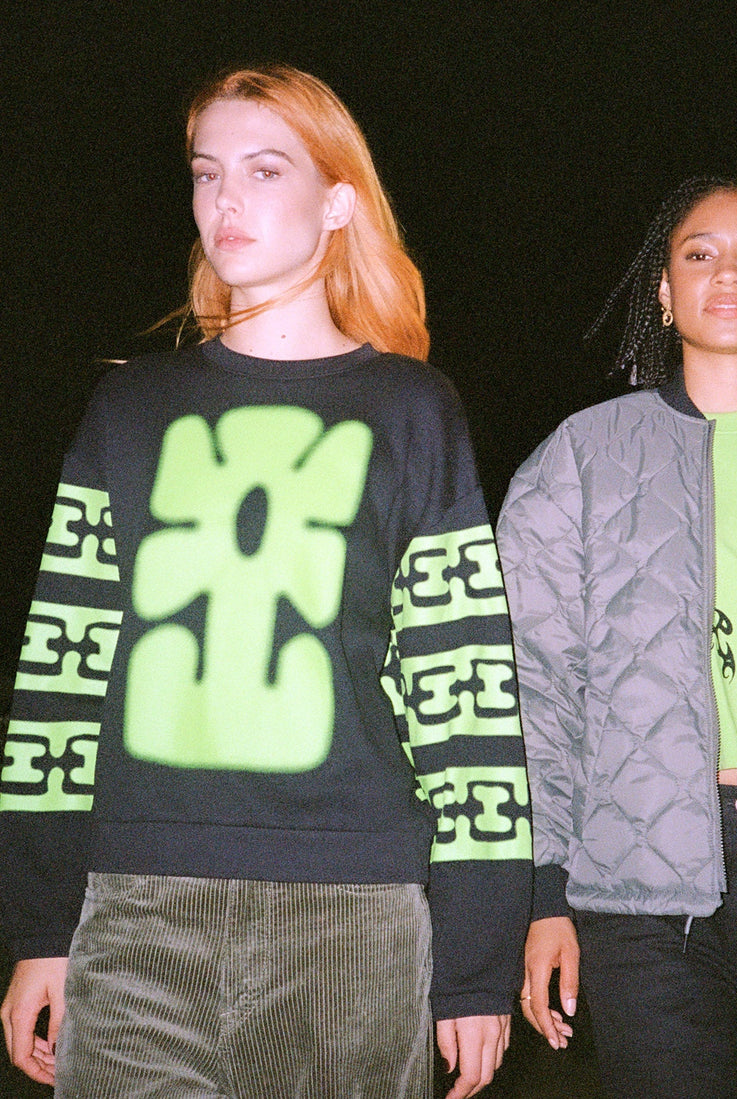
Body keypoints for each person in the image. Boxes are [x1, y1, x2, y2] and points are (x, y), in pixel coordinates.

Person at [0, 65, 537, 1099]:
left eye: (264, 169)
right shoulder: (129, 410)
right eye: (207, 172)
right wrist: (39, 924)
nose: (225, 199)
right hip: (136, 908)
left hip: (354, 917)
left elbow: (463, 690)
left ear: (337, 201)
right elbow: (62, 678)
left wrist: (475, 957)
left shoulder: (412, 410)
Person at [496, 175, 737, 1097]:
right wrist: (542, 893)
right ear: (664, 291)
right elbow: (532, 688)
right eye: (698, 253)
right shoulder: (581, 456)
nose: (728, 272)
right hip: (639, 879)